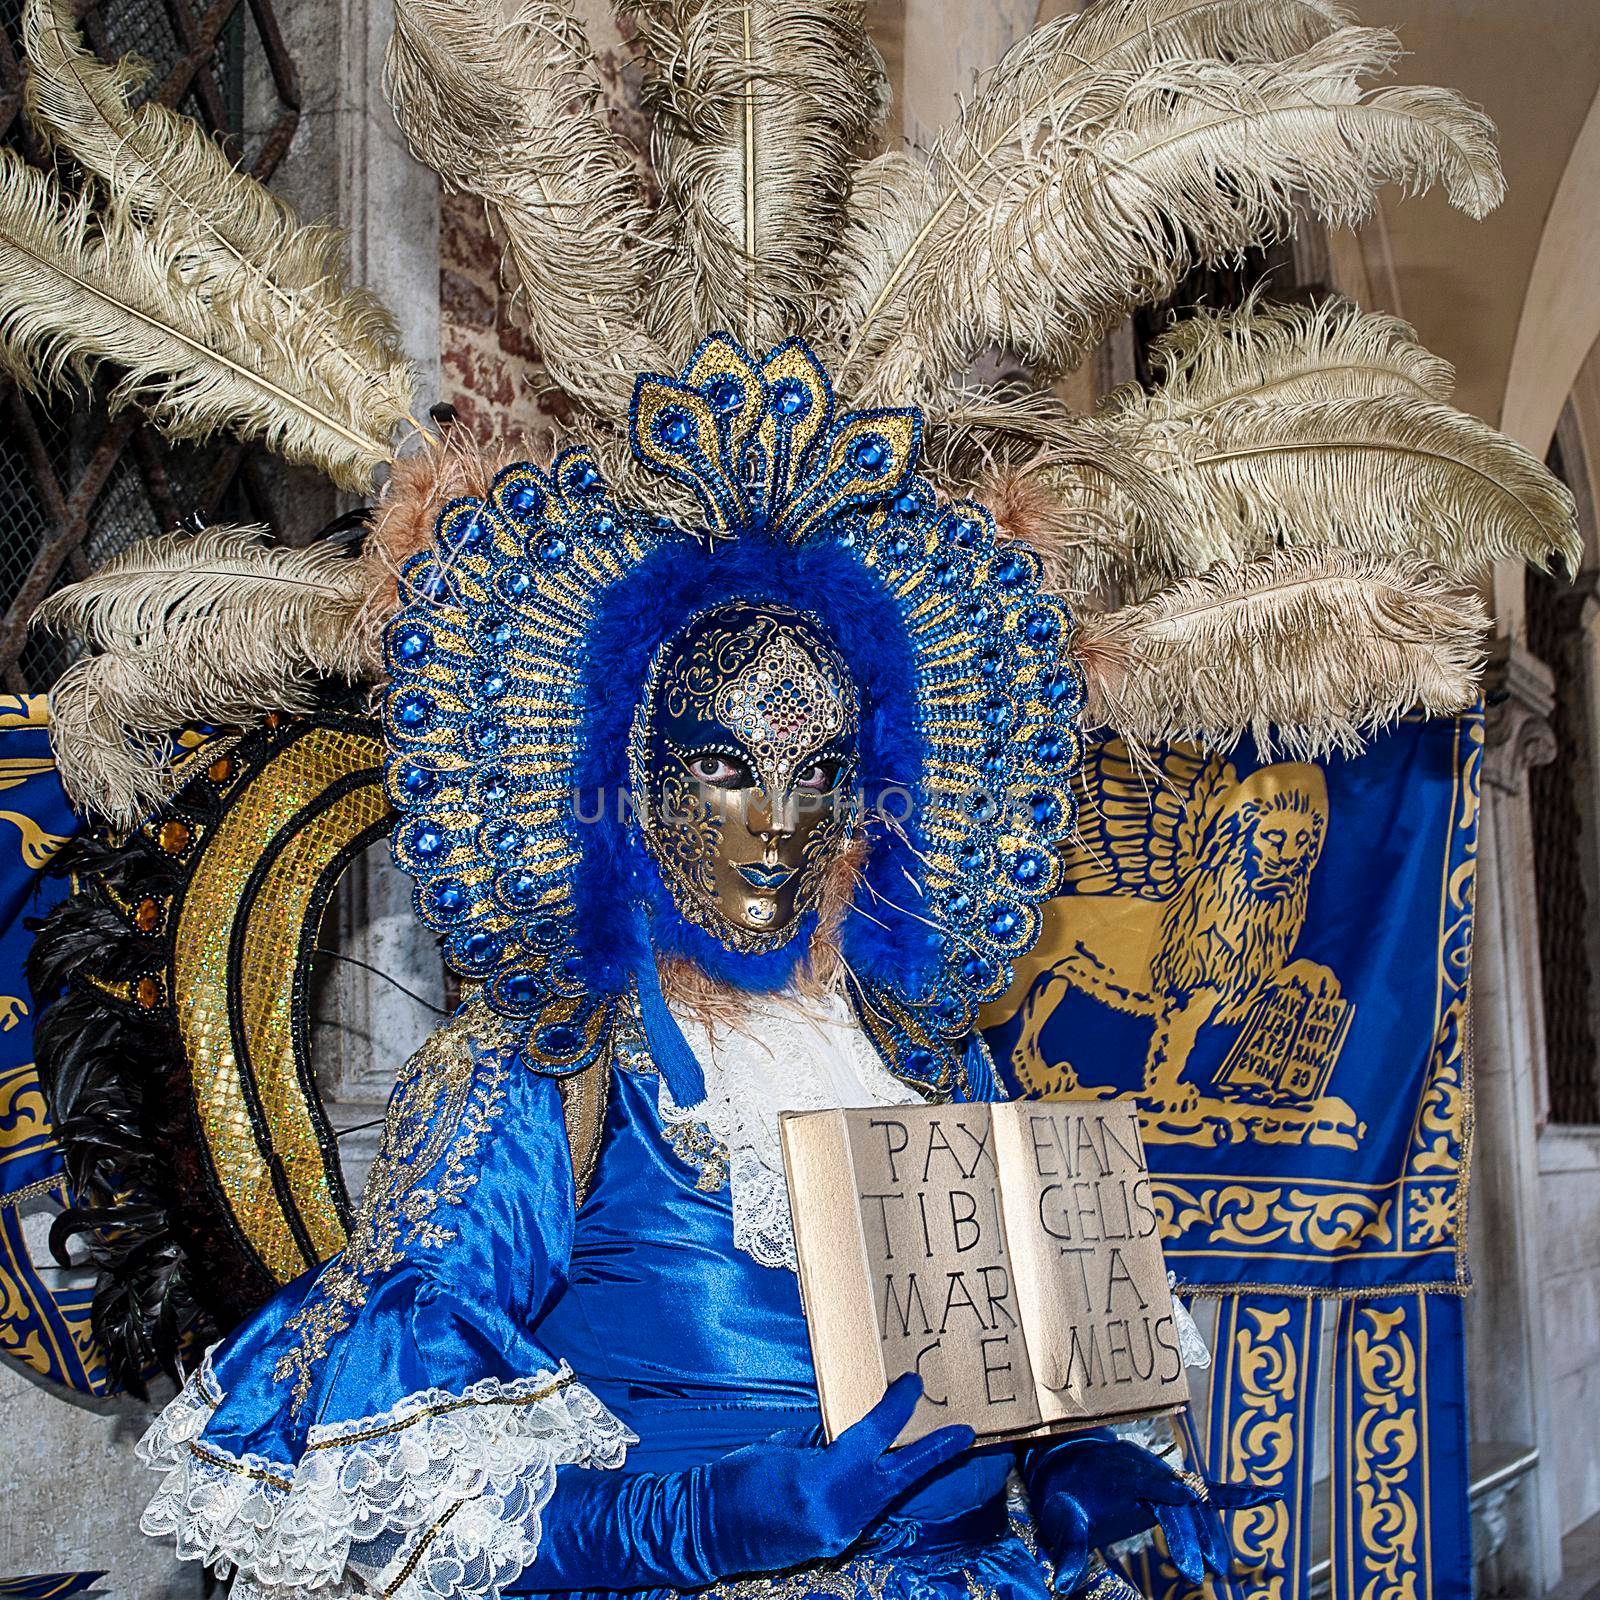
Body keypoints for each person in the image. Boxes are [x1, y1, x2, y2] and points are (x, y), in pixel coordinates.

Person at [135, 338, 1261, 1600]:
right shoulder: (547, 1067)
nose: (778, 823)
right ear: (631, 779)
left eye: (817, 770)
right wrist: (740, 1514)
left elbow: (1018, 1378)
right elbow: (448, 1526)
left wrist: (1083, 1467)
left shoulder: (934, 1054)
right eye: (727, 765)